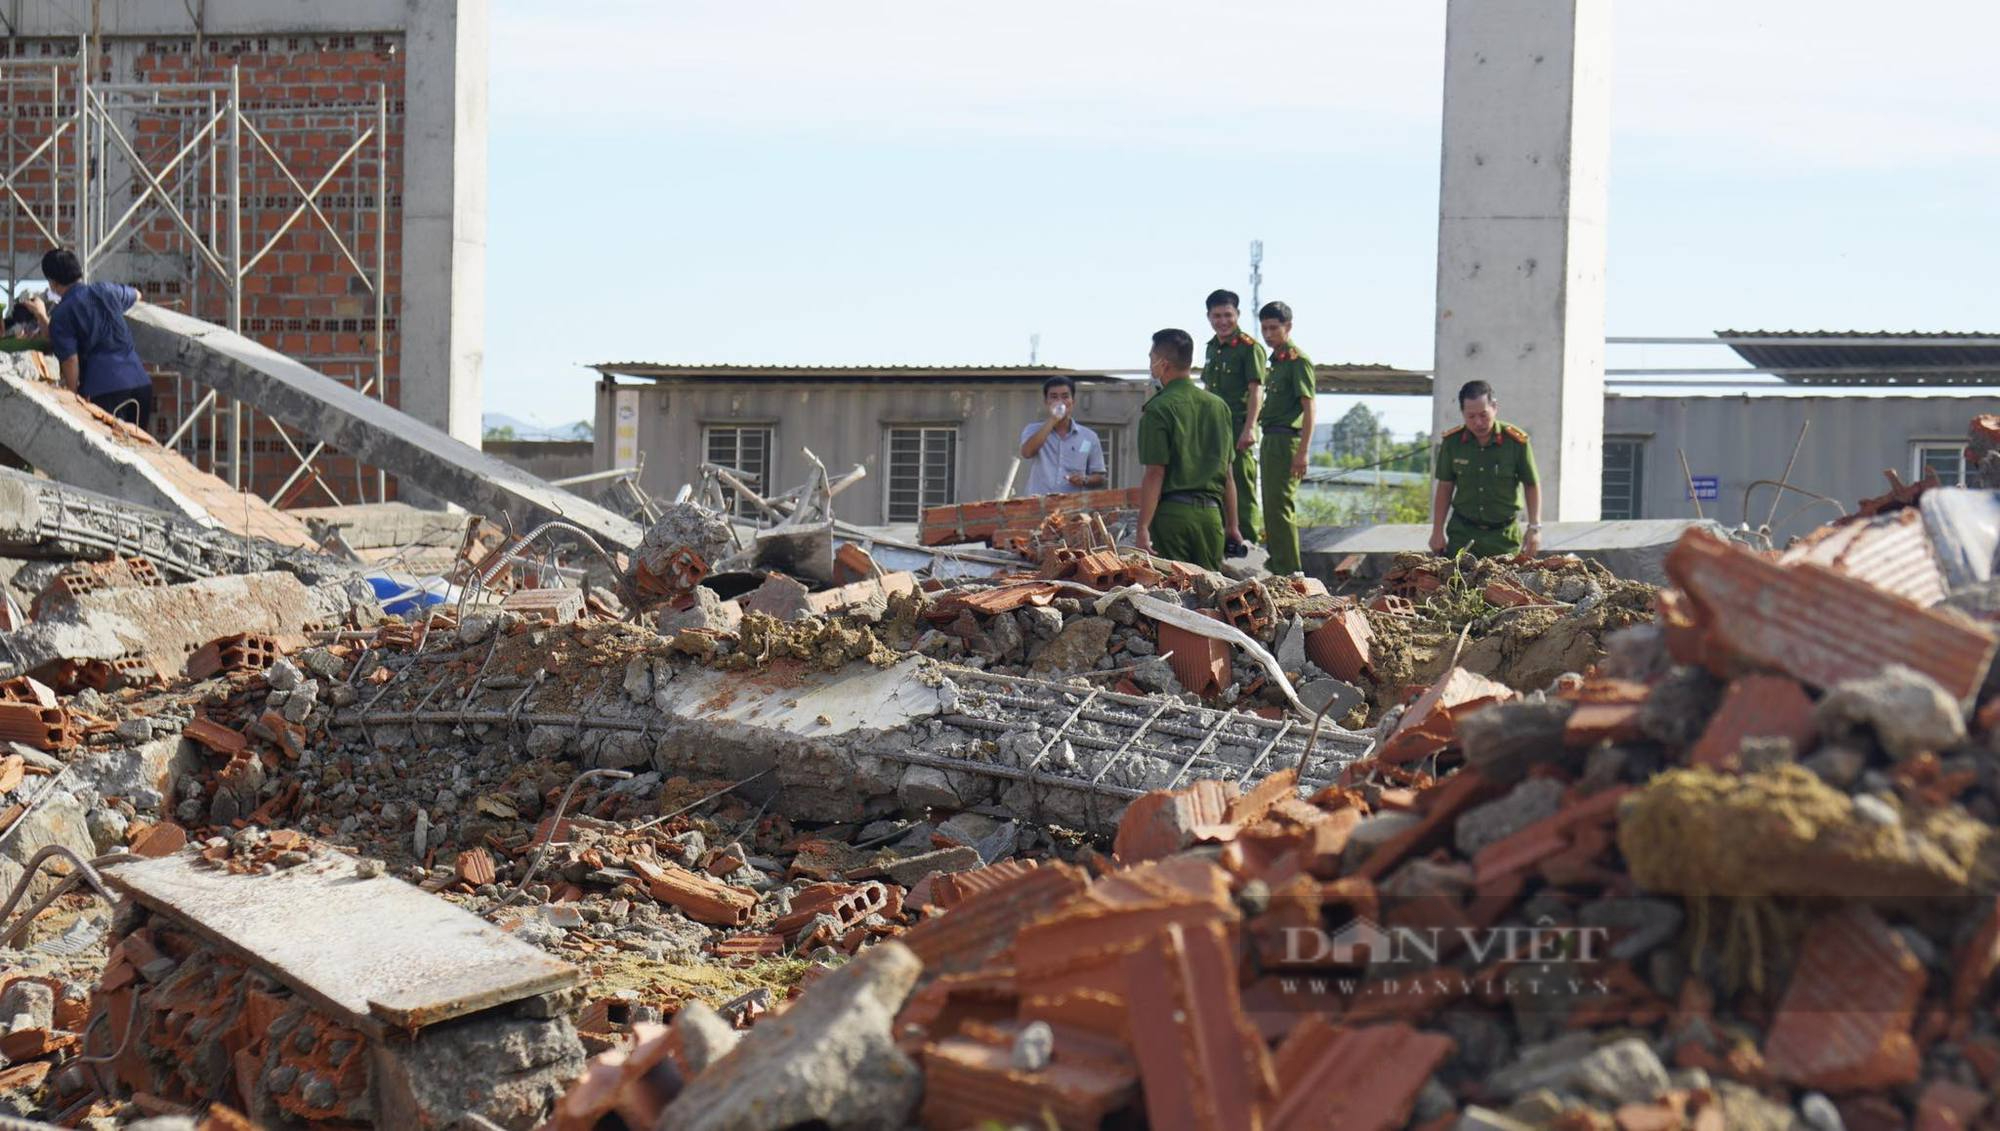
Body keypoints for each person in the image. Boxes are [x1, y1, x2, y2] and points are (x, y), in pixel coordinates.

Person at [1137, 328, 1241, 570]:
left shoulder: (1158, 409)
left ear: (1163, 363)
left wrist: (1143, 527)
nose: (1151, 364)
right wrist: (1232, 525)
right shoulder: (1219, 407)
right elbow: (1228, 474)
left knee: (1175, 596)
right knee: (1209, 599)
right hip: (1211, 518)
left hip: (1173, 517)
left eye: (1152, 357)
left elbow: (1155, 472)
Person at [33, 248, 153, 430]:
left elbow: (70, 360)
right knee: (138, 448)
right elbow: (136, 294)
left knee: (111, 453)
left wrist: (72, 398)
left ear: (52, 283)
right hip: (140, 382)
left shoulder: (62, 313)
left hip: (105, 389)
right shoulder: (106, 290)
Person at [1429, 380, 1543, 558]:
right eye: (1471, 416)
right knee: (1456, 584)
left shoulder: (1515, 442)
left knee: (1504, 585)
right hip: (1462, 534)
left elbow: (1531, 484)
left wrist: (1534, 527)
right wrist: (1437, 531)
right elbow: (1445, 487)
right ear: (1463, 413)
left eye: (1484, 415)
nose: (1478, 422)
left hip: (1502, 537)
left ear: (1494, 407)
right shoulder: (1452, 443)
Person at [1201, 288, 1266, 548]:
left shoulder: (1249, 348)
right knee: (1217, 484)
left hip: (1239, 426)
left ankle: (1247, 543)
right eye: (1217, 316)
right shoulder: (1212, 348)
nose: (1223, 321)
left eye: (1228, 315)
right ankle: (1225, 538)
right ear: (1209, 317)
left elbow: (1256, 390)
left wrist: (1250, 428)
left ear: (1237, 314)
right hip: (1215, 427)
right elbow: (1208, 390)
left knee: (1242, 485)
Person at [1255, 301, 1315, 575]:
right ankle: (1278, 563)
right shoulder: (1275, 362)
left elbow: (1309, 407)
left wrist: (1303, 451)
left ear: (1288, 327)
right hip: (1270, 438)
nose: (1268, 334)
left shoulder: (1297, 361)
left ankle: (1291, 570)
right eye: (1264, 328)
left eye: (1274, 328)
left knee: (1281, 508)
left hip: (1287, 440)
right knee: (1270, 506)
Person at [1018, 375, 1107, 495]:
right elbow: (1027, 452)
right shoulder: (1033, 429)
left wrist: (1085, 480)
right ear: (1046, 402)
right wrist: (1053, 420)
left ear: (1073, 401)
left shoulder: (1089, 437)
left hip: (1072, 506)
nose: (1060, 402)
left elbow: (1100, 477)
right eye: (1054, 397)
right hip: (1038, 504)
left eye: (1065, 397)